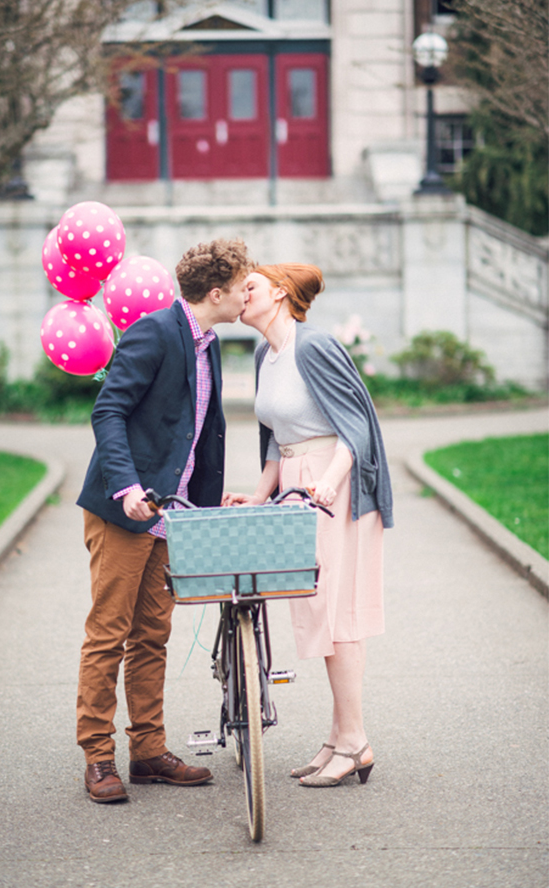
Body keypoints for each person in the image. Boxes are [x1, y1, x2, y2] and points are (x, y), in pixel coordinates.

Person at [76, 238, 253, 803]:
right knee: (108, 633)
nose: (251, 293)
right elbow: (109, 410)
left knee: (152, 635)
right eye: (244, 285)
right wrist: (127, 486)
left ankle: (148, 751)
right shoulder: (154, 331)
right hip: (124, 510)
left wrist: (207, 501)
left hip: (173, 518)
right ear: (217, 292)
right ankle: (98, 757)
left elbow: (194, 432)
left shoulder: (210, 343)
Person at [223, 263, 393, 788]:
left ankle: (356, 741)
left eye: (249, 285)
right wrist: (258, 495)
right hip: (297, 479)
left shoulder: (313, 346)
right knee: (322, 611)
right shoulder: (263, 354)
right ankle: (338, 737)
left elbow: (356, 425)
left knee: (337, 613)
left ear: (278, 292)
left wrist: (329, 483)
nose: (239, 293)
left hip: (333, 485)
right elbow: (277, 437)